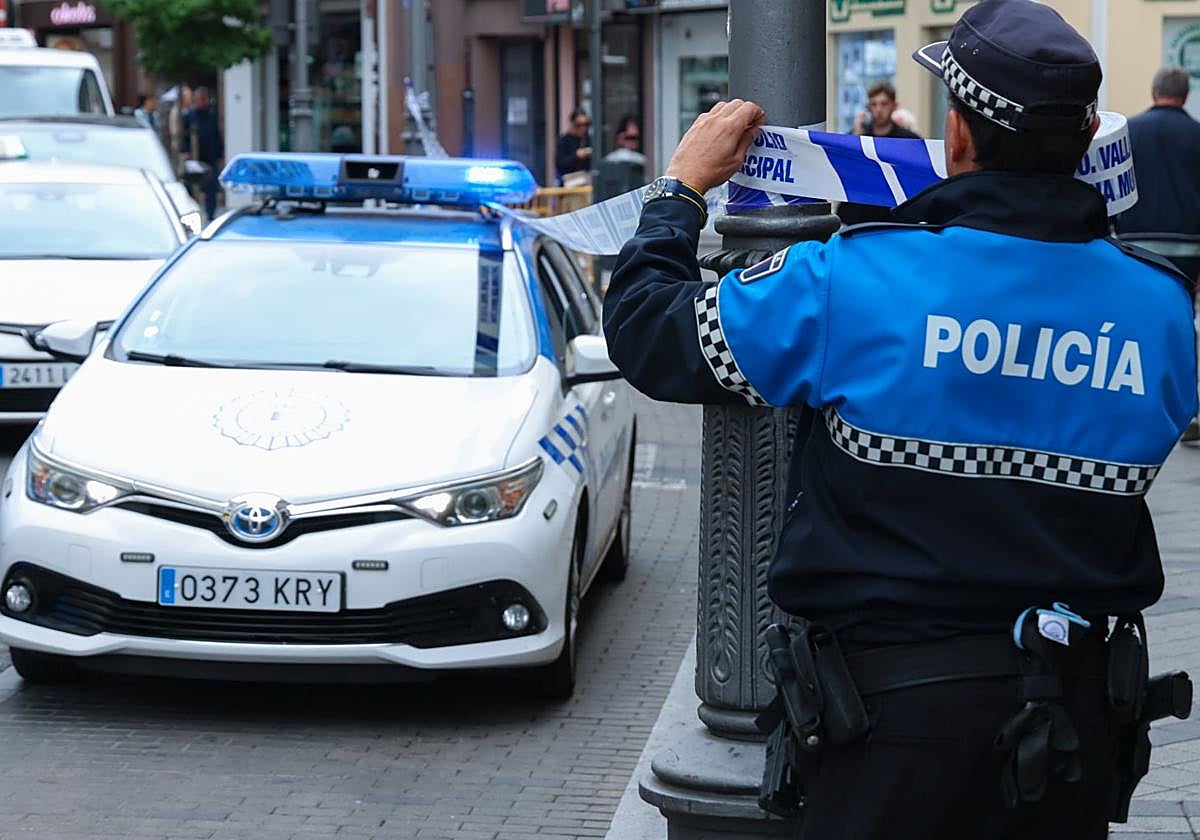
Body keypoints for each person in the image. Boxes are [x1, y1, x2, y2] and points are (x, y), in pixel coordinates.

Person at [603, 1, 1197, 837]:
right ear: (1087, 135)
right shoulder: (1161, 312)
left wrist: (678, 190)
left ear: (956, 134)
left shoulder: (852, 282)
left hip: (889, 732)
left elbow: (644, 332)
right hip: (1074, 732)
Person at [1115, 67, 1200, 442]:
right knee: (1183, 323)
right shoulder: (1197, 135)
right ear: (1185, 94)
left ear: (1153, 91)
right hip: (1188, 246)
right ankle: (1187, 406)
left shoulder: (1129, 132)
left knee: (1136, 322)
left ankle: (1136, 404)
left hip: (1137, 243)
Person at [180, 86, 223, 220]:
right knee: (194, 188)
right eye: (199, 99)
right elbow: (184, 137)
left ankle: (210, 215)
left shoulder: (212, 115)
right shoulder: (189, 116)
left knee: (211, 189)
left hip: (211, 157)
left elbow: (217, 135)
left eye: (204, 99)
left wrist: (221, 154)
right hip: (196, 157)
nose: (202, 102)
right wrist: (186, 152)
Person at [853, 81, 922, 139]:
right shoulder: (859, 134)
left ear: (894, 106)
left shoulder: (907, 138)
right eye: (874, 104)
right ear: (868, 107)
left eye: (884, 104)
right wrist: (857, 136)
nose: (878, 109)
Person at [555, 108, 592, 184]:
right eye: (579, 125)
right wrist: (576, 155)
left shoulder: (589, 140)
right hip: (570, 183)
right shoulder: (564, 141)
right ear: (572, 124)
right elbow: (560, 163)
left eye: (586, 125)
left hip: (587, 181)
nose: (583, 128)